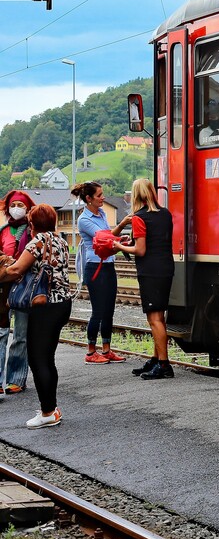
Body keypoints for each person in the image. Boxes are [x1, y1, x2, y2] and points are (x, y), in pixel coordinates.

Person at [0, 204, 72, 428]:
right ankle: (51, 407)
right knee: (47, 358)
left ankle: (48, 412)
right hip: (62, 304)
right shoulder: (60, 240)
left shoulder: (38, 241)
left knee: (38, 359)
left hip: (45, 306)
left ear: (32, 224)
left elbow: (16, 270)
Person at [115, 178, 175, 380]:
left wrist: (120, 246)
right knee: (159, 316)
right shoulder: (165, 214)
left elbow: (140, 250)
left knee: (154, 318)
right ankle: (157, 358)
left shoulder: (139, 218)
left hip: (150, 270)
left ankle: (164, 365)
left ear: (136, 195)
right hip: (166, 267)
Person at [72, 181, 128, 364]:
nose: (103, 197)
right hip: (95, 267)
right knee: (98, 311)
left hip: (108, 264)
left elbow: (110, 239)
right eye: (99, 195)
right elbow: (104, 238)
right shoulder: (84, 220)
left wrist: (120, 240)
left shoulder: (102, 213)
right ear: (89, 199)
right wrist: (123, 227)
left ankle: (106, 349)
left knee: (109, 310)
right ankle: (90, 352)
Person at [0, 190, 33, 394]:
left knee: (21, 334)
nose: (17, 209)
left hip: (24, 286)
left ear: (28, 208)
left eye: (21, 205)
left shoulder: (32, 230)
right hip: (3, 288)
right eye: (14, 205)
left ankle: (16, 379)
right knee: (1, 332)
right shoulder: (3, 230)